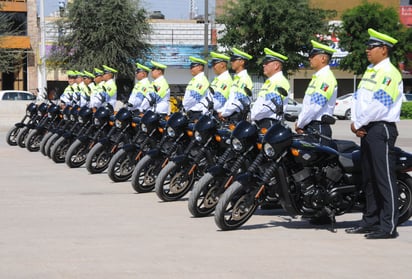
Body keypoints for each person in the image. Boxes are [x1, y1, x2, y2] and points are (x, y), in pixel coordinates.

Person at [345, 29, 403, 239]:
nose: (367, 50)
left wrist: (359, 122)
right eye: (367, 46)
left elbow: (381, 104)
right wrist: (356, 123)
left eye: (372, 47)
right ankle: (370, 221)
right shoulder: (371, 70)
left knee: (384, 178)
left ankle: (388, 226)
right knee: (368, 178)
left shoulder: (390, 73)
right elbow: (358, 98)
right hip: (366, 128)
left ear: (384, 50)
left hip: (381, 128)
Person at [295, 40, 338, 143]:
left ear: (323, 58)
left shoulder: (325, 78)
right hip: (311, 126)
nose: (309, 58)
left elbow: (315, 106)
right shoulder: (318, 77)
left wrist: (300, 123)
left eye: (313, 55)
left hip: (318, 128)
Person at [251, 48, 290, 129]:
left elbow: (269, 105)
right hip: (262, 122)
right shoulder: (270, 81)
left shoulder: (280, 81)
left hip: (270, 123)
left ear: (276, 66)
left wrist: (253, 116)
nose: (263, 65)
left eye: (266, 63)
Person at [218, 47, 253, 122]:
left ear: (241, 62)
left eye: (234, 60)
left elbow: (238, 101)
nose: (231, 62)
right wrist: (224, 112)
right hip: (231, 115)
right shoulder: (237, 79)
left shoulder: (244, 79)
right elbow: (230, 100)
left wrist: (224, 113)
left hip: (237, 116)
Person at [182, 56, 210, 120]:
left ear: (200, 67)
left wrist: (184, 106)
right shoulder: (195, 79)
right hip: (193, 112)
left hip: (198, 113)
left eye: (193, 66)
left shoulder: (201, 80)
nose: (191, 69)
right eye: (190, 67)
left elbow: (194, 97)